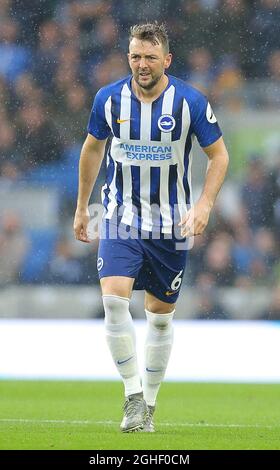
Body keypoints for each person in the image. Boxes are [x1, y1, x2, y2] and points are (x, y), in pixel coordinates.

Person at [73, 22, 229, 433]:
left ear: (167, 60)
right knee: (114, 301)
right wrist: (81, 207)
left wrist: (204, 205)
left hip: (170, 225)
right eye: (135, 57)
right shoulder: (109, 100)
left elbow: (220, 157)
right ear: (129, 57)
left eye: (150, 58)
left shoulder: (190, 102)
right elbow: (92, 150)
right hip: (121, 218)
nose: (142, 65)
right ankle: (132, 397)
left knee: (159, 318)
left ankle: (151, 405)